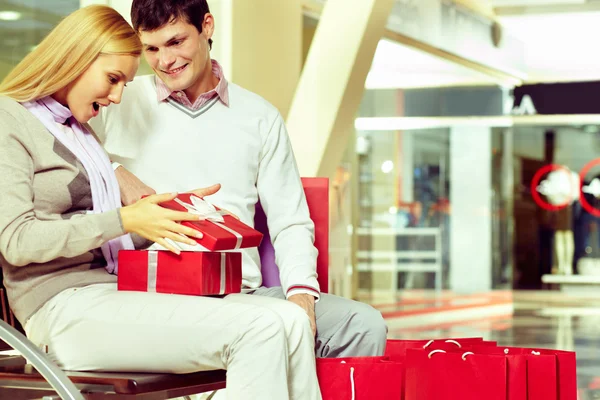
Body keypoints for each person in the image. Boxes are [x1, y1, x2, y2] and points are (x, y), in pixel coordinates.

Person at [0, 5, 321, 399]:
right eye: (113, 79)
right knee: (263, 327)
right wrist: (126, 219)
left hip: (109, 293)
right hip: (59, 310)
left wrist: (175, 213)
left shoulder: (76, 132)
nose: (118, 96)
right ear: (75, 60)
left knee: (290, 318)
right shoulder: (10, 120)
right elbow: (16, 242)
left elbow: (105, 232)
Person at [91, 0, 388, 359]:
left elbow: (291, 221)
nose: (165, 61)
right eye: (151, 49)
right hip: (150, 296)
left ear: (208, 26)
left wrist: (300, 297)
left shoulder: (260, 117)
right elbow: (59, 150)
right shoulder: (117, 98)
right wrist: (116, 173)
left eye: (176, 42)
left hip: (240, 297)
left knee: (362, 325)